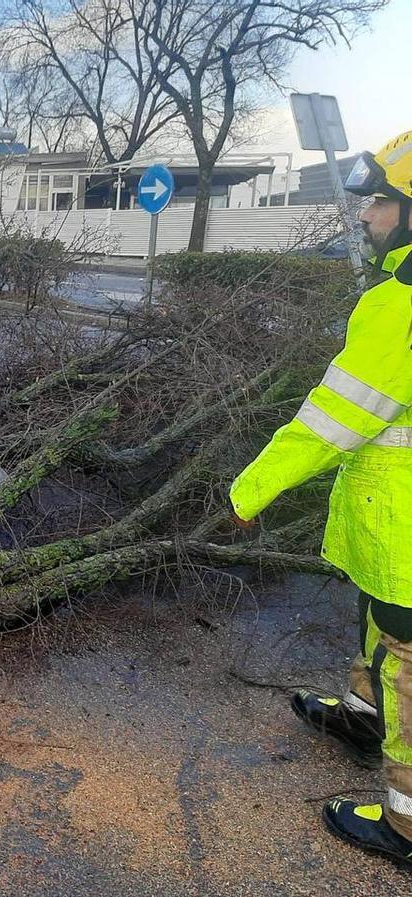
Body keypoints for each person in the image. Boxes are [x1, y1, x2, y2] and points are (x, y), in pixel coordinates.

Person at [229, 130, 412, 867]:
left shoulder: (399, 306)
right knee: (379, 622)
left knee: (406, 656)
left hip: (403, 525)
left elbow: (328, 422)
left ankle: (405, 823)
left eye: (383, 200)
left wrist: (250, 488)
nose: (368, 214)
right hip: (393, 525)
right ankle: (363, 718)